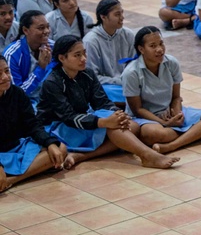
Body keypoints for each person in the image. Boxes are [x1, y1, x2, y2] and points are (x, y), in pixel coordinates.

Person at [36, 36, 178, 168]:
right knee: (114, 128)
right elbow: (68, 117)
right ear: (62, 58)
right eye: (77, 55)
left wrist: (118, 114)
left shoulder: (87, 74)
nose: (84, 58)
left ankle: (81, 156)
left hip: (80, 121)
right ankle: (147, 155)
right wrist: (103, 122)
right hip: (58, 127)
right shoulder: (52, 83)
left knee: (131, 126)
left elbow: (102, 102)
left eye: (84, 53)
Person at [123, 26, 201, 154]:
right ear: (141, 49)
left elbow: (176, 97)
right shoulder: (131, 73)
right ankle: (199, 133)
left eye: (161, 43)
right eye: (152, 46)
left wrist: (177, 115)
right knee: (155, 134)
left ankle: (172, 146)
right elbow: (137, 109)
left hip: (169, 112)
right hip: (146, 118)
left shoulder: (171, 63)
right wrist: (164, 123)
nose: (159, 49)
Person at [0, 54, 72, 192]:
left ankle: (13, 179)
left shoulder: (17, 94)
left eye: (7, 71)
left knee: (60, 148)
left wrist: (49, 143)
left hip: (16, 146)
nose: (5, 77)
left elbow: (32, 124)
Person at [82, 0, 134, 104]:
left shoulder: (128, 34)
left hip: (128, 83)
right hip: (108, 87)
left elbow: (135, 64)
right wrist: (118, 81)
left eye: (122, 13)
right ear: (103, 17)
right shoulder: (91, 41)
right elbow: (92, 77)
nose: (122, 17)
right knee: (106, 92)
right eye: (117, 14)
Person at [3, 11, 54, 101]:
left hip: (52, 98)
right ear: (25, 30)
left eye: (47, 27)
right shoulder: (12, 55)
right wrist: (41, 68)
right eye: (41, 28)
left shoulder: (53, 47)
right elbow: (17, 94)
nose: (46, 31)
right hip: (26, 103)